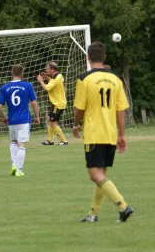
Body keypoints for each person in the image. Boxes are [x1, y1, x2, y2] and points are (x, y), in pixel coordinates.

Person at [73, 42, 133, 223]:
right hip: (109, 133)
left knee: (94, 175)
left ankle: (123, 206)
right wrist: (121, 134)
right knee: (102, 176)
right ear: (104, 57)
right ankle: (93, 213)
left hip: (93, 133)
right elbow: (120, 110)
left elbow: (79, 109)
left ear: (88, 58)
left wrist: (76, 124)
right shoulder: (116, 80)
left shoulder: (84, 79)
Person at [0, 64, 41, 177]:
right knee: (21, 145)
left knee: (13, 142)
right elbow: (34, 103)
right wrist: (37, 116)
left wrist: (3, 117)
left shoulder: (4, 87)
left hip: (12, 120)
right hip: (24, 120)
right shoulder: (27, 86)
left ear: (11, 73)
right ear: (22, 74)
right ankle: (19, 170)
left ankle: (14, 165)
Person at [36, 61, 68, 146]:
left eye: (47, 69)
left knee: (51, 121)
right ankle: (50, 140)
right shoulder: (58, 76)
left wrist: (41, 81)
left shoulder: (56, 78)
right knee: (49, 119)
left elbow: (46, 88)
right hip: (58, 103)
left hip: (58, 104)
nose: (46, 70)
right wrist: (46, 77)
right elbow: (52, 83)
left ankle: (64, 140)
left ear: (52, 69)